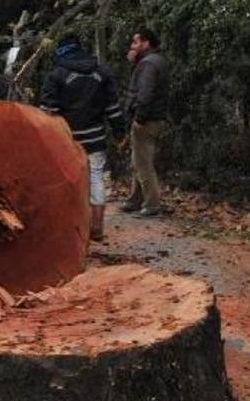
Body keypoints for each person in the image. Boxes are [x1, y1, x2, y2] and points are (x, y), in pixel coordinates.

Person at [39, 33, 125, 241]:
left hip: (66, 140)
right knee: (95, 176)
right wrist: (119, 132)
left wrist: (45, 141)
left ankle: (68, 228)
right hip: (95, 138)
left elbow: (48, 111)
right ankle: (97, 226)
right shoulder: (101, 73)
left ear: (61, 51)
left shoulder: (57, 75)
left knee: (65, 180)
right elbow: (113, 108)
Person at [122, 28, 169, 217]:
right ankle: (135, 200)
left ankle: (152, 204)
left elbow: (145, 93)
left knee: (143, 164)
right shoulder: (155, 61)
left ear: (146, 43)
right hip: (155, 117)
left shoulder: (148, 64)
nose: (132, 46)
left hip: (147, 120)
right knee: (138, 160)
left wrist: (139, 118)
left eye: (135, 42)